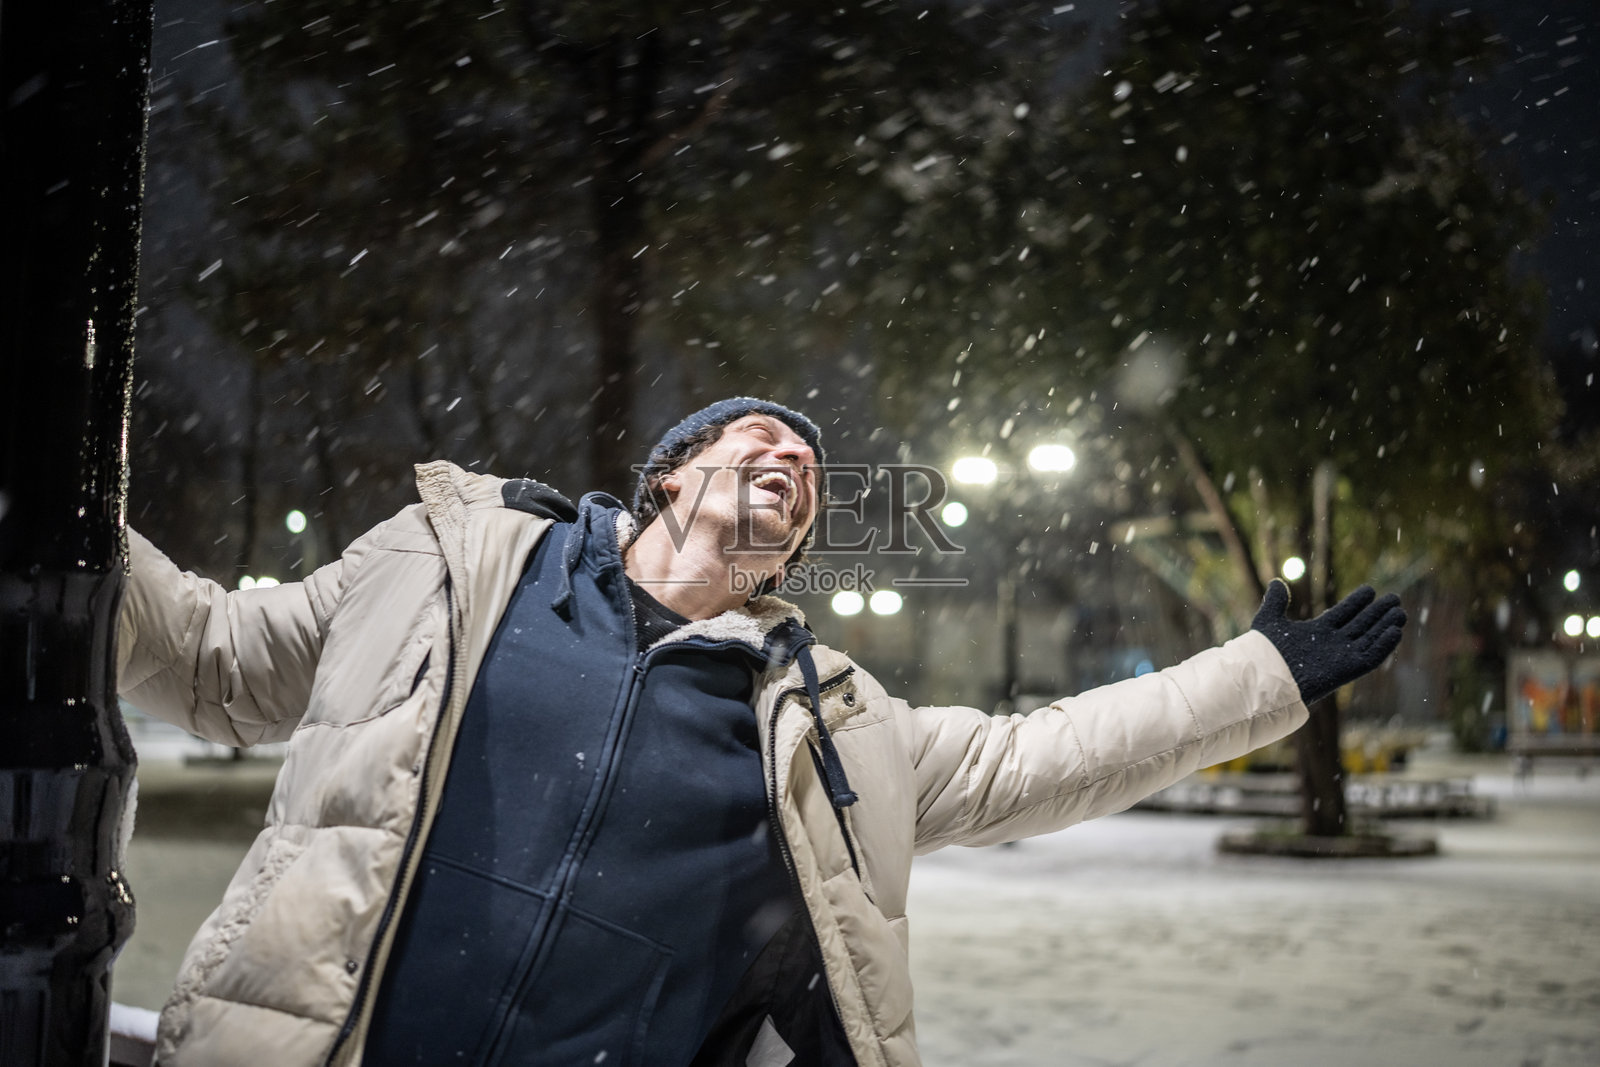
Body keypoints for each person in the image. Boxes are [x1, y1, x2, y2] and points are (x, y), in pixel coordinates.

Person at [117, 397, 1405, 1066]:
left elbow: (1037, 755)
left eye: (811, 475)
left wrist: (1256, 678)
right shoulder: (445, 570)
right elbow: (212, 658)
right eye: (759, 436)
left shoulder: (831, 722)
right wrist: (62, 505)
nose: (793, 457)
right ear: (668, 478)